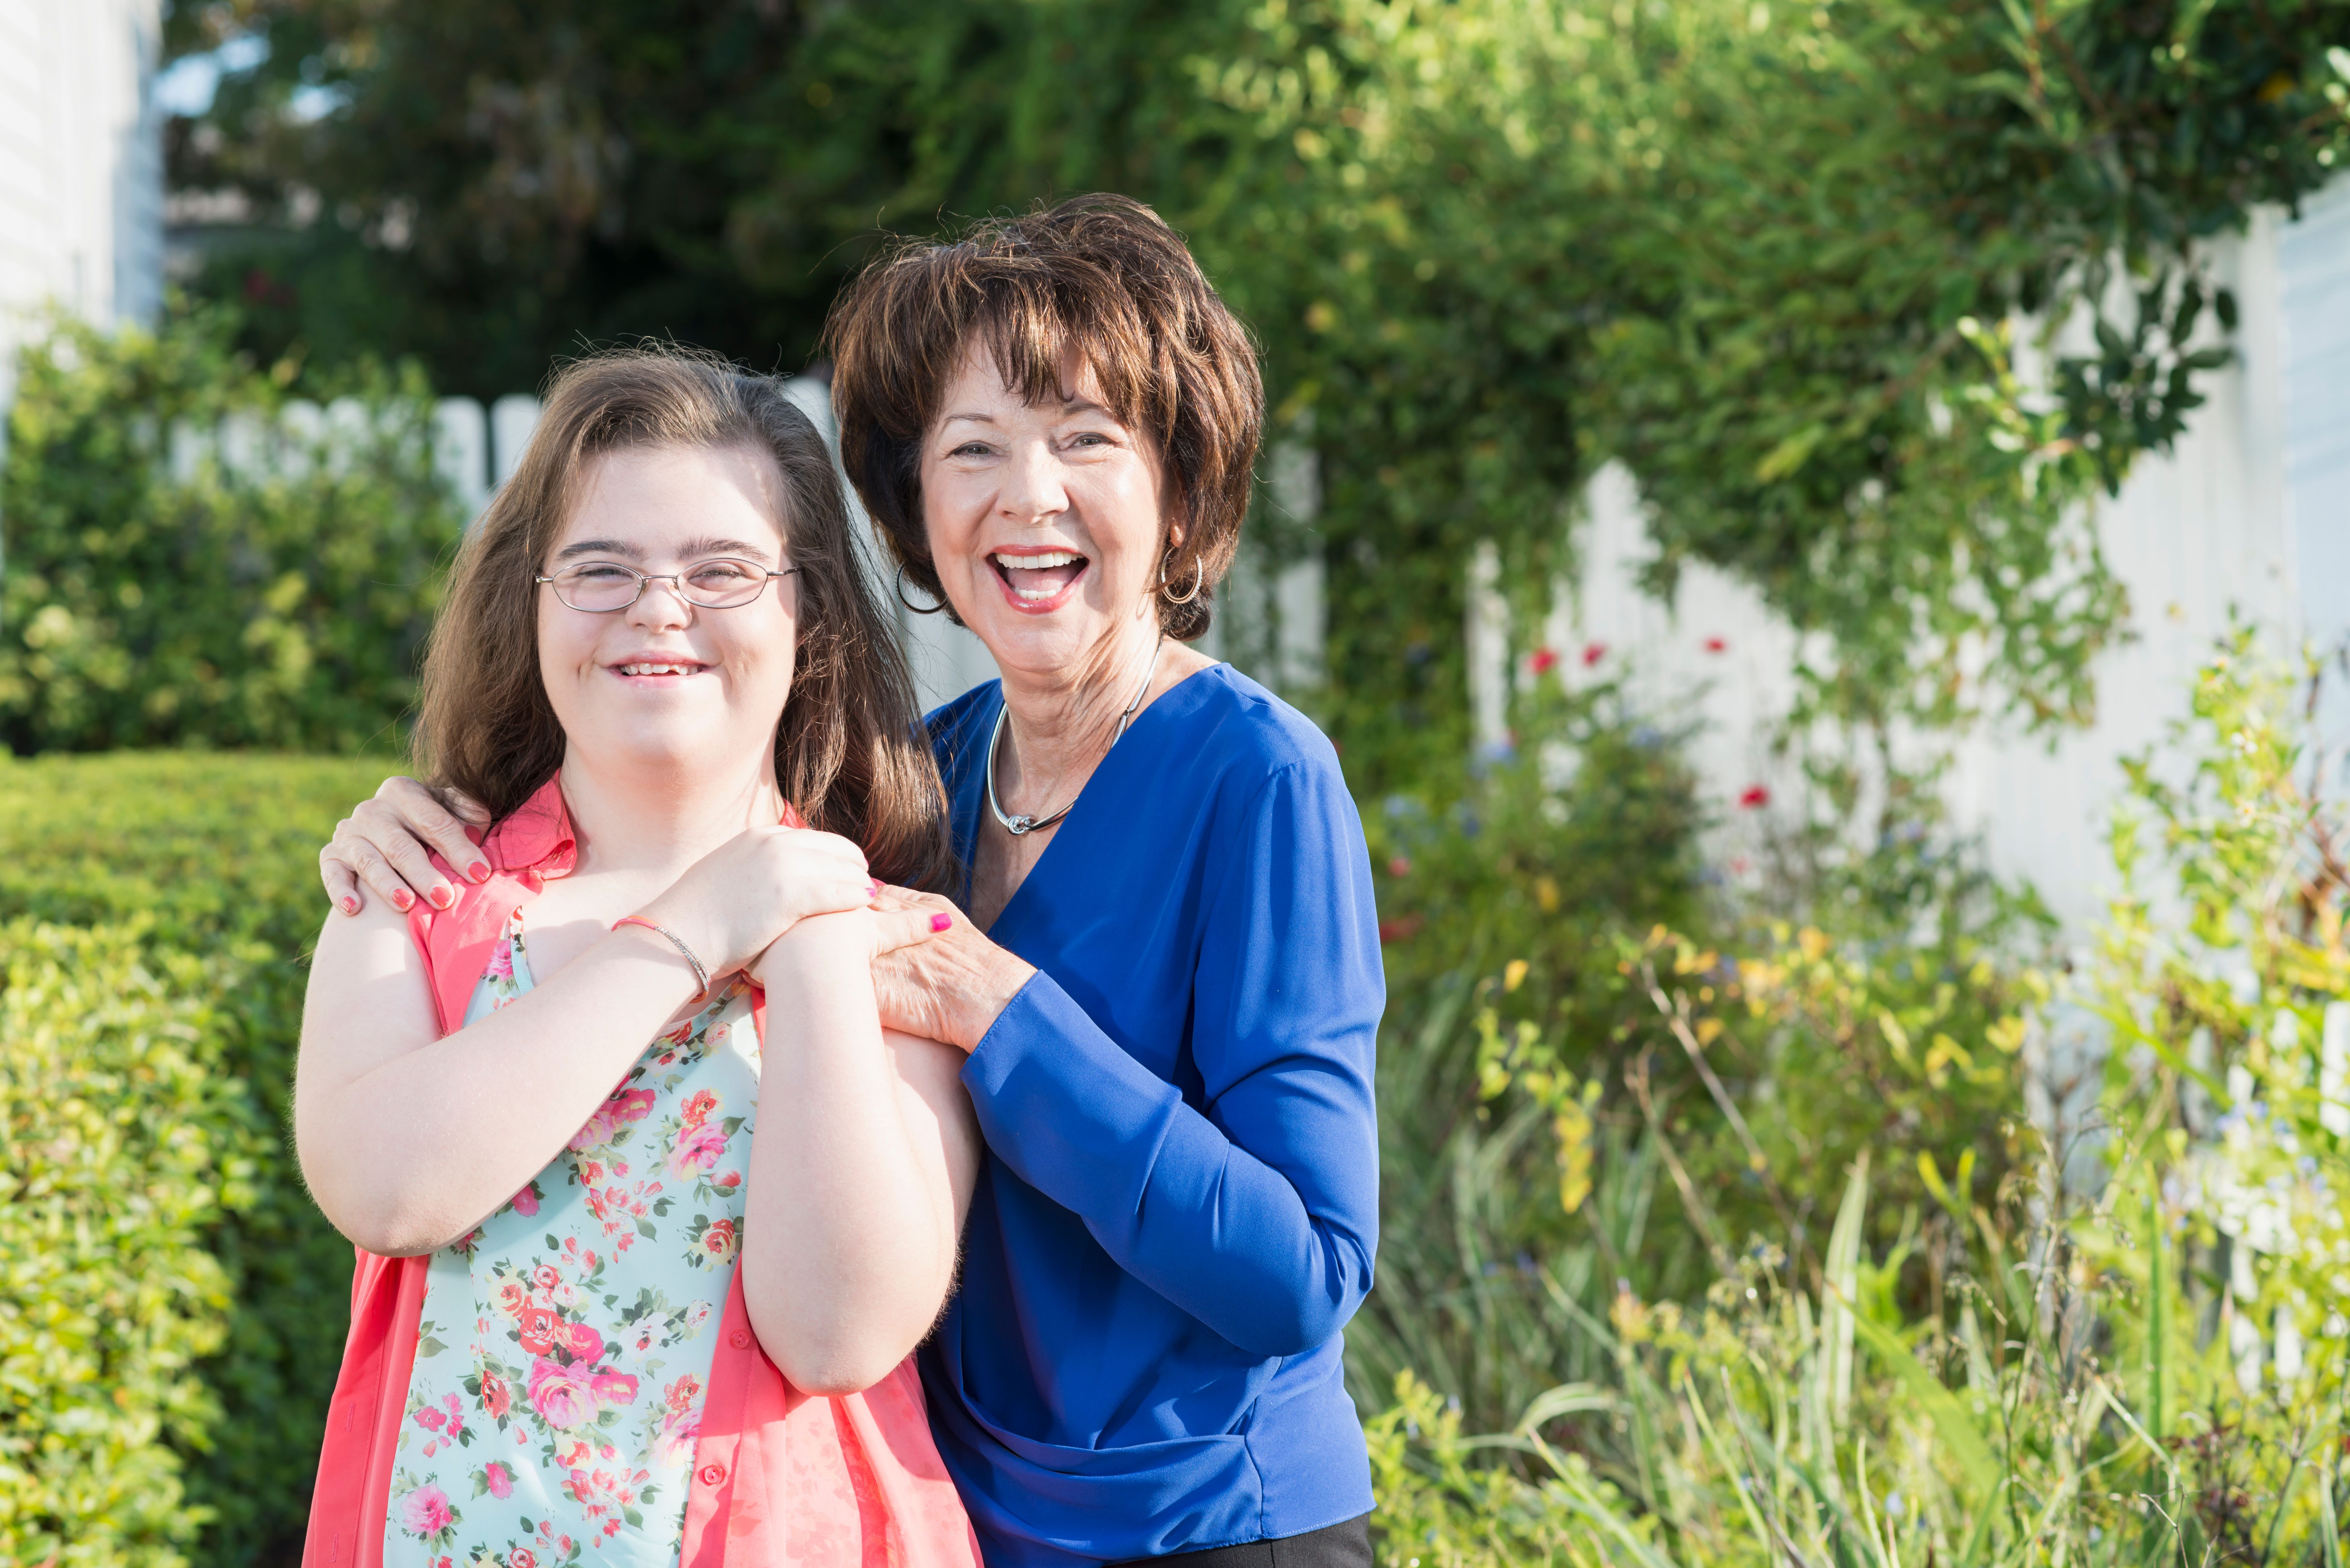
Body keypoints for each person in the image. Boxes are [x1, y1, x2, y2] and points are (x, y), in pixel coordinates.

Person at [319, 196, 1385, 1568]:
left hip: (1203, 1525)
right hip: (972, 1511)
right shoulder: (913, 783)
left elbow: (1303, 1274)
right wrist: (404, 818)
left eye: (1086, 441)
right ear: (912, 506)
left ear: (1176, 487)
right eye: (972, 449)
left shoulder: (1257, 779)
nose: (1028, 494)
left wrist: (1004, 1012)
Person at [295, 347, 983, 1568]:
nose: (658, 608)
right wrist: (691, 931)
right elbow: (387, 1192)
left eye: (722, 570)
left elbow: (834, 1333)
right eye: (600, 569)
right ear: (535, 600)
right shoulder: (410, 896)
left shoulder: (900, 949)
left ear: (806, 609)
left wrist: (805, 923)